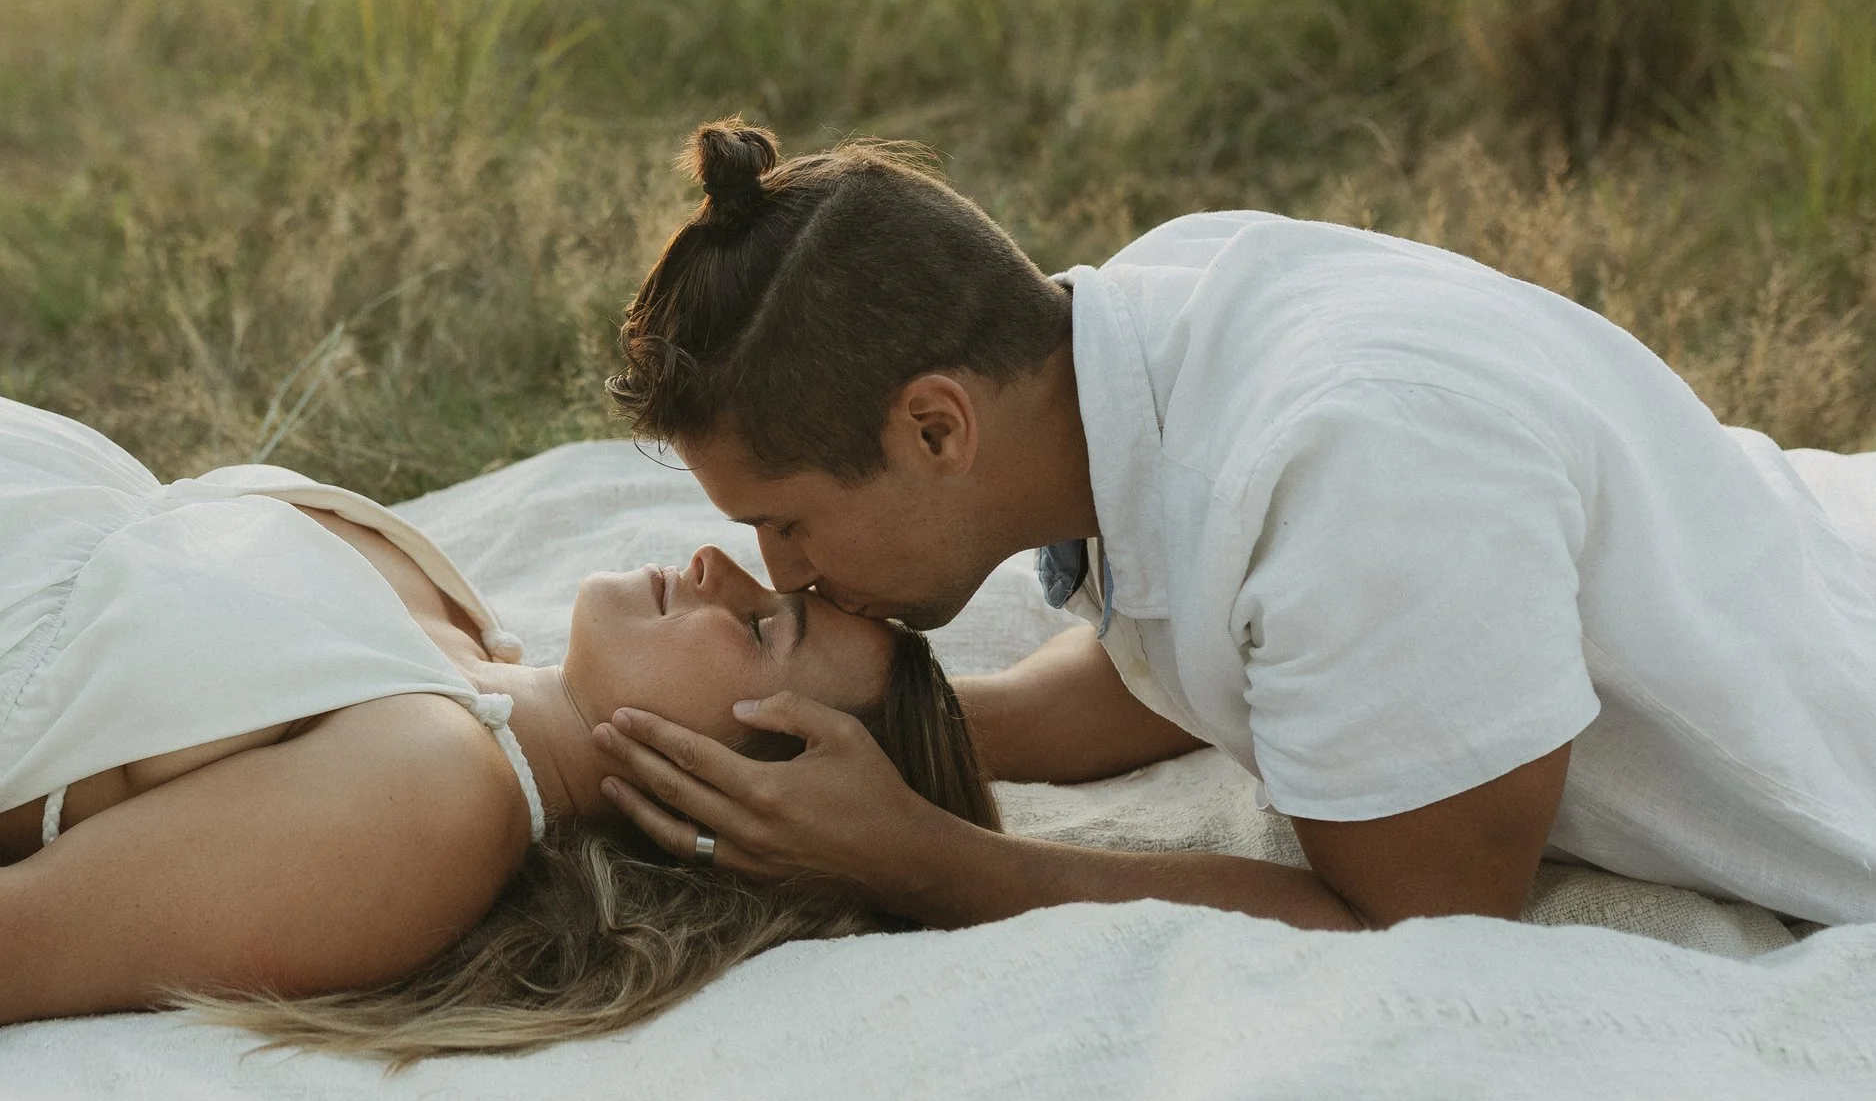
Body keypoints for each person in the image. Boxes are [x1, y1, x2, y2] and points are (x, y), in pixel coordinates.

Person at [0, 286, 995, 1058]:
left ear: (729, 787)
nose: (723, 565)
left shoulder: (436, 799)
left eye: (767, 627)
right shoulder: (473, 644)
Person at [596, 120, 1876, 930]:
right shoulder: (1157, 314)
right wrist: (883, 738)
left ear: (937, 427)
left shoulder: (1354, 471)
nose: (780, 568)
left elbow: (1423, 914)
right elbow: (1201, 652)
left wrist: (930, 859)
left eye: (786, 520)